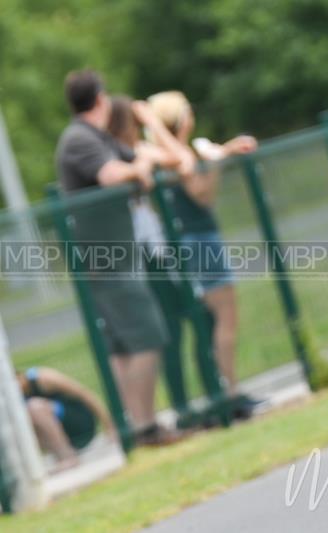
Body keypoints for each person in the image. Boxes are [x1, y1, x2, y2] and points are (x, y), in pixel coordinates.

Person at [54, 70, 180, 446]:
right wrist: (140, 169)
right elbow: (113, 176)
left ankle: (133, 428)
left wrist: (148, 149)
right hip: (106, 261)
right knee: (148, 336)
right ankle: (143, 427)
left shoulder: (98, 137)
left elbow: (163, 160)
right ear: (100, 99)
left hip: (115, 257)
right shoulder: (79, 139)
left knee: (126, 346)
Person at [146, 90, 260, 420]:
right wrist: (218, 162)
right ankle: (230, 392)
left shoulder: (165, 154)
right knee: (225, 318)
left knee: (213, 321)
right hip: (199, 239)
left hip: (187, 241)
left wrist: (222, 150)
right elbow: (201, 192)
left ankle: (225, 391)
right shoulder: (177, 154)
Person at [17, 367, 115, 472]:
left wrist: (110, 427)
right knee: (21, 419)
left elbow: (85, 394)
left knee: (34, 408)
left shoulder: (42, 378)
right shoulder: (15, 398)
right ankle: (59, 456)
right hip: (64, 438)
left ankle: (68, 457)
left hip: (81, 424)